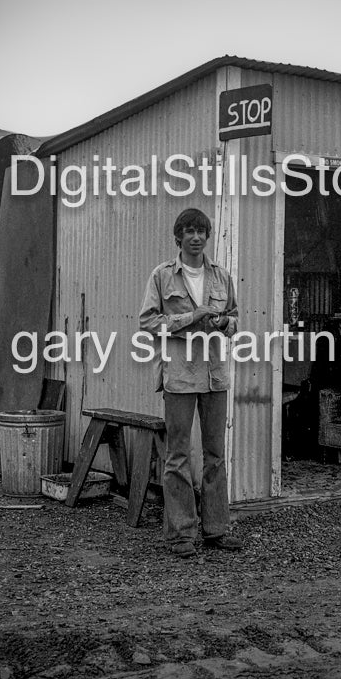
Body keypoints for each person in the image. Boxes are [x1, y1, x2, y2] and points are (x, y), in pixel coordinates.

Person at [138, 208, 242, 558]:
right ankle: (181, 535)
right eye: (189, 231)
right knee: (178, 456)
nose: (196, 237)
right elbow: (149, 323)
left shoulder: (222, 276)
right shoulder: (162, 276)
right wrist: (190, 317)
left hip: (215, 376)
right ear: (178, 237)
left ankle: (216, 530)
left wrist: (223, 323)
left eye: (202, 231)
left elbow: (235, 320)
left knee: (215, 456)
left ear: (207, 236)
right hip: (180, 376)